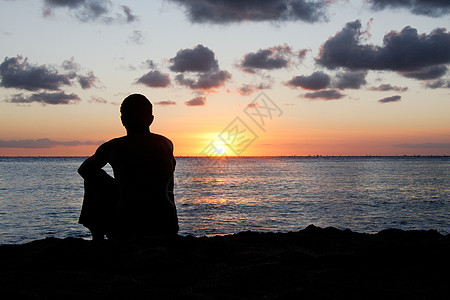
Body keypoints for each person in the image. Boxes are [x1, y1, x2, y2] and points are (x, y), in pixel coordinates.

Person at [78, 94, 178, 240]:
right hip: (167, 225)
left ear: (123, 120)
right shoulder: (166, 143)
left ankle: (97, 237)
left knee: (93, 180)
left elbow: (84, 170)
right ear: (150, 119)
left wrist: (115, 186)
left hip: (128, 225)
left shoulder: (113, 147)